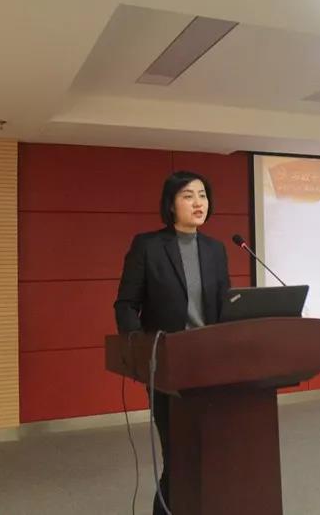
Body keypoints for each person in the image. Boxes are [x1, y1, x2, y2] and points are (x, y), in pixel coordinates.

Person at [114, 171, 231, 515]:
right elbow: (125, 304)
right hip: (168, 366)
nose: (198, 203)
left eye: (202, 195)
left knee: (212, 453)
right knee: (178, 456)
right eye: (188, 196)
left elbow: (224, 305)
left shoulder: (215, 249)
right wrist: (138, 348)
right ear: (170, 204)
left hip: (212, 365)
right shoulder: (148, 246)